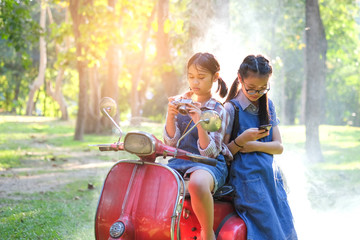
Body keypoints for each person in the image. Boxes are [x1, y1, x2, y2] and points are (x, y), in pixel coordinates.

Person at [224, 54, 298, 240]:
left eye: (263, 89)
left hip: (271, 179)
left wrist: (255, 145)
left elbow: (279, 146)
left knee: (284, 225)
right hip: (249, 183)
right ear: (240, 79)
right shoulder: (231, 109)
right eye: (251, 89)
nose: (257, 94)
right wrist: (240, 142)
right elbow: (222, 154)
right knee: (267, 230)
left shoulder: (268, 106)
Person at [164, 52, 232, 240]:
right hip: (180, 160)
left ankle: (207, 232)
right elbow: (170, 143)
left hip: (209, 164)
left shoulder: (217, 109)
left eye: (201, 77)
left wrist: (199, 120)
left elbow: (210, 152)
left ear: (215, 78)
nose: (195, 82)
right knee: (156, 178)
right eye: (191, 77)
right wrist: (170, 115)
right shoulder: (181, 102)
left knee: (198, 183)